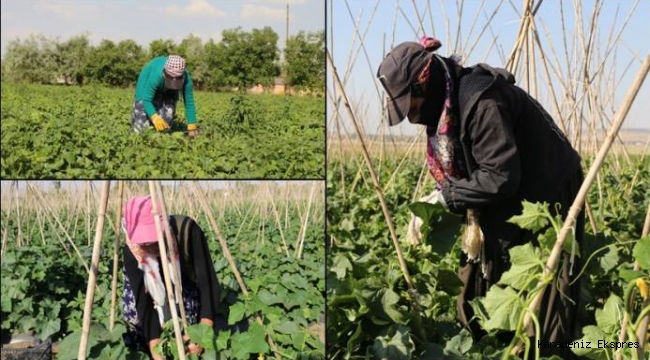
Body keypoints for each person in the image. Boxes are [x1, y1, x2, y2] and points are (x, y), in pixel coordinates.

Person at [376, 38, 585, 359]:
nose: (413, 117)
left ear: (425, 84)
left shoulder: (482, 102)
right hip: (505, 196)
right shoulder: (448, 107)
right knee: (473, 293)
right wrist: (443, 198)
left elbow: (500, 177)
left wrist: (447, 197)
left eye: (412, 106)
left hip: (550, 194)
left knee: (543, 309)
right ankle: (489, 348)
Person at [121, 195, 221, 359]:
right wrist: (155, 348)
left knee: (189, 323)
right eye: (144, 243)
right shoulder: (132, 250)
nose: (149, 246)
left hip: (183, 286)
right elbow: (143, 302)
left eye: (154, 240)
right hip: (151, 298)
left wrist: (204, 333)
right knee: (135, 317)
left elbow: (207, 284)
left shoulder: (188, 230)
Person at [132, 55, 199, 138]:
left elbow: (189, 103)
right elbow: (146, 99)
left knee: (166, 122)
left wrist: (192, 126)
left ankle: (160, 140)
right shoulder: (156, 76)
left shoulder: (186, 80)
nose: (173, 81)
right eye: (171, 79)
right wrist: (155, 118)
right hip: (146, 84)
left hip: (169, 91)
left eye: (177, 79)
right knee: (141, 126)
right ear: (165, 74)